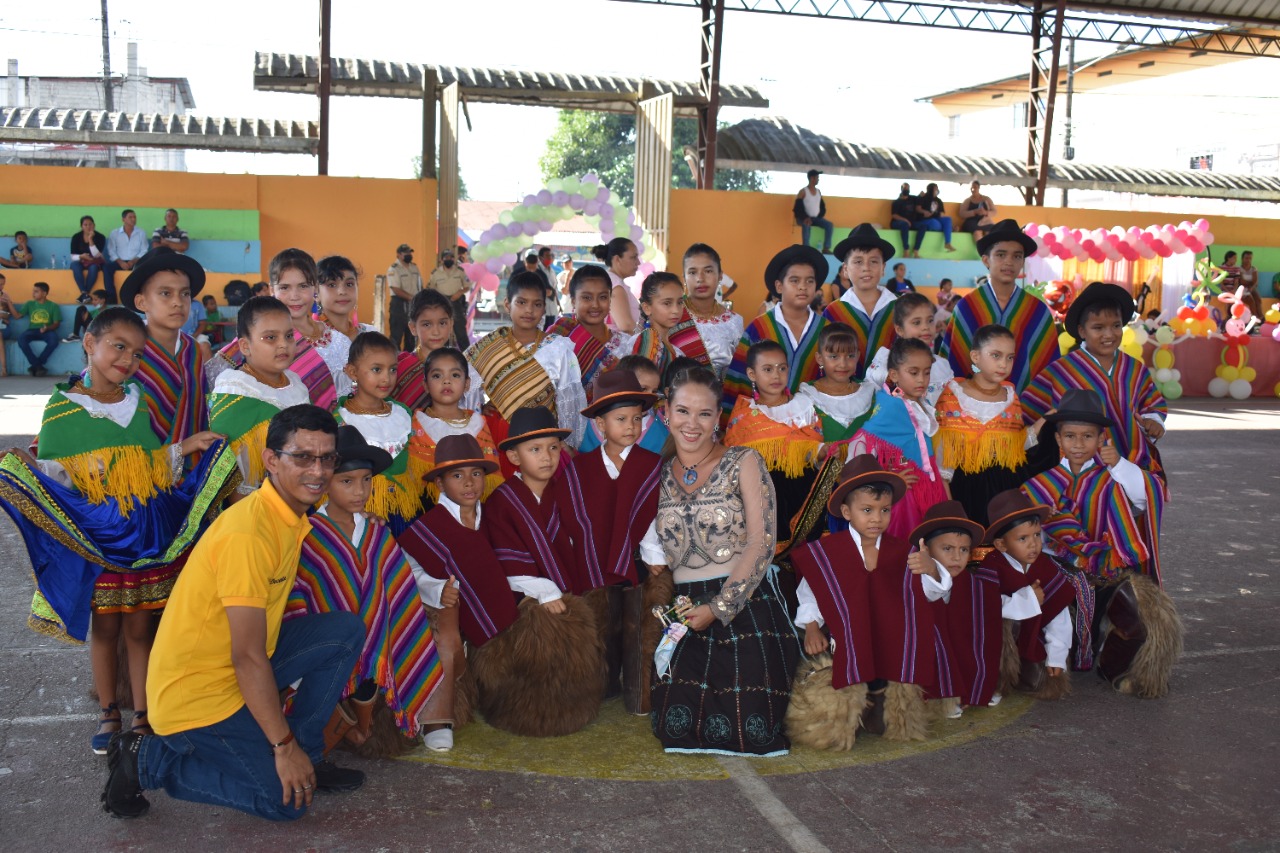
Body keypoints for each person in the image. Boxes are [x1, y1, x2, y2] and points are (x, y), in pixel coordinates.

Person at [102, 405, 366, 821]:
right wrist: (282, 747)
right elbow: (247, 656)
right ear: (271, 460)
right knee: (285, 803)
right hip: (198, 695)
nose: (317, 471)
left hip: (233, 668)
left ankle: (309, 756)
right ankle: (148, 759)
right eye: (302, 457)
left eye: (326, 458)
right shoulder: (249, 533)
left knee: (343, 631)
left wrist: (294, 748)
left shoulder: (288, 515)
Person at [0, 307, 229, 755]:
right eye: (118, 347)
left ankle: (143, 713)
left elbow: (149, 464)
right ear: (90, 344)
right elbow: (57, 476)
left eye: (137, 353)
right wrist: (30, 467)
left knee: (140, 628)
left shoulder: (136, 400)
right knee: (105, 628)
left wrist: (186, 446)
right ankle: (109, 712)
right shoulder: (62, 408)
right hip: (99, 539)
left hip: (143, 535)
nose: (127, 360)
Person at [399, 433, 603, 738]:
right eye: (457, 476)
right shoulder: (428, 528)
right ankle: (440, 715)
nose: (469, 483)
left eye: (476, 474)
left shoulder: (491, 515)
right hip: (458, 618)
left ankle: (544, 708)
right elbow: (410, 572)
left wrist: (540, 590)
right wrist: (436, 589)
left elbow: (512, 564)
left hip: (507, 610)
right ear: (440, 483)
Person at [649, 366, 796, 756]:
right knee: (676, 725)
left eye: (704, 414)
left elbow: (762, 542)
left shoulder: (744, 461)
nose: (692, 424)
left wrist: (719, 607)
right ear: (666, 412)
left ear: (718, 417)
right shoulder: (654, 474)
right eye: (683, 411)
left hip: (745, 601)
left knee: (749, 725)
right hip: (682, 610)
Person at [286, 425, 445, 751]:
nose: (360, 491)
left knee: (371, 657)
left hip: (374, 652)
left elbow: (398, 586)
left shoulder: (378, 532)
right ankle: (334, 730)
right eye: (347, 481)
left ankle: (362, 725)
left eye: (367, 480)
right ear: (324, 482)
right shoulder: (308, 535)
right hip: (325, 650)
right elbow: (299, 593)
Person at [1021, 389, 1179, 699]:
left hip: (1107, 566)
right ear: (1058, 439)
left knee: (1140, 612)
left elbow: (1148, 496)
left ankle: (1115, 666)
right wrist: (1041, 520)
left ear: (1100, 438)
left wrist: (1119, 464)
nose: (1078, 444)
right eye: (1070, 436)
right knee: (1062, 598)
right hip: (1059, 568)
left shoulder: (1112, 478)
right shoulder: (1041, 483)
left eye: (1087, 436)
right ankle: (1057, 659)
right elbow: (1026, 533)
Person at [788, 455, 950, 746]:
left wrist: (932, 569)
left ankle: (878, 698)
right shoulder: (827, 552)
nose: (877, 518)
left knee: (888, 661)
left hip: (888, 636)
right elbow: (810, 591)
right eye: (867, 510)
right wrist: (811, 626)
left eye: (884, 510)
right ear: (847, 512)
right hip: (846, 636)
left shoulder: (903, 551)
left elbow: (930, 592)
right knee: (846, 669)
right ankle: (851, 711)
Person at [555, 370, 663, 713]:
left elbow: (653, 515)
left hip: (637, 562)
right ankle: (602, 681)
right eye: (621, 419)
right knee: (602, 625)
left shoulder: (651, 465)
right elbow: (572, 518)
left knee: (634, 626)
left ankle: (637, 683)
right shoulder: (580, 469)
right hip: (594, 563)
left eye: (637, 419)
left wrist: (653, 554)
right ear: (600, 424)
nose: (631, 427)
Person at [1022, 282, 1166, 474]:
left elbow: (1151, 403)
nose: (1109, 334)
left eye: (1116, 325)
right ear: (1082, 331)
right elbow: (1028, 410)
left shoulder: (1134, 368)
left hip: (1132, 465)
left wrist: (1153, 421)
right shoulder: (1061, 371)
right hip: (1081, 471)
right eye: (1098, 327)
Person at [724, 340, 837, 554]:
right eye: (768, 369)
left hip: (804, 486)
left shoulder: (802, 406)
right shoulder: (745, 415)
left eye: (782, 368)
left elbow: (814, 443)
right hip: (766, 493)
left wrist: (822, 450)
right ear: (752, 374)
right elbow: (734, 459)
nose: (776, 375)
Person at [981, 489, 1090, 700]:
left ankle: (1028, 668)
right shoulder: (991, 567)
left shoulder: (1044, 566)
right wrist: (1029, 599)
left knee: (1036, 683)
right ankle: (994, 680)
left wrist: (1057, 656)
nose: (1033, 544)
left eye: (1037, 535)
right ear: (1001, 544)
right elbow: (985, 607)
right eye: (1022, 538)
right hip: (998, 648)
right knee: (1004, 623)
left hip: (1032, 640)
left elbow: (1058, 614)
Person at [466, 271, 587, 454]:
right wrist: (480, 408)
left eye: (537, 304)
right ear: (508, 304)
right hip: (501, 436)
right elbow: (466, 387)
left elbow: (569, 401)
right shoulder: (489, 346)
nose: (529, 310)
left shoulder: (557, 349)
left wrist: (568, 444)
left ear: (544, 308)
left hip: (544, 437)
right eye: (521, 302)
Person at [935, 324, 1043, 527]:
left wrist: (1045, 422)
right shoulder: (952, 396)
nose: (1004, 364)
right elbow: (943, 462)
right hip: (964, 490)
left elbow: (1015, 447)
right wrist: (951, 509)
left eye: (1010, 357)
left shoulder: (1011, 397)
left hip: (1004, 491)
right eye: (996, 355)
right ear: (975, 356)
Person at [210, 249, 341, 412]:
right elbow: (213, 385)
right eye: (284, 287)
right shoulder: (251, 339)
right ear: (272, 290)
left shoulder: (337, 340)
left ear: (315, 288)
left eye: (303, 286)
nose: (294, 296)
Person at [940, 219, 1059, 394]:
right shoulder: (967, 307)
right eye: (1001, 255)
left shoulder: (1038, 312)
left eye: (1017, 256)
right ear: (986, 260)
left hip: (1022, 406)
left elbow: (1046, 369)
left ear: (1022, 262)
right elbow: (953, 362)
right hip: (970, 404)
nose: (1009, 262)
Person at [208, 296, 311, 493]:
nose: (283, 344)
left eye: (289, 336)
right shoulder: (236, 390)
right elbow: (228, 476)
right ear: (245, 346)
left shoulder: (296, 384)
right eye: (271, 338)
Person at [336, 332, 429, 535]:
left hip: (404, 513)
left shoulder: (403, 414)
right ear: (352, 372)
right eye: (377, 369)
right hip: (359, 515)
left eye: (393, 369)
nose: (386, 378)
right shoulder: (340, 420)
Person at [723, 244, 829, 419]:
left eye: (810, 281)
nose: (803, 287)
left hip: (813, 423)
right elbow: (738, 381)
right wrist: (730, 422)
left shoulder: (826, 330)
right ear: (779, 286)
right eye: (794, 280)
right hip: (763, 422)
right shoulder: (759, 327)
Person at [121, 248, 213, 449]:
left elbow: (200, 411)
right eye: (165, 293)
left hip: (194, 463)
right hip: (138, 462)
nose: (178, 302)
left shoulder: (193, 351)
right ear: (141, 302)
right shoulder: (125, 352)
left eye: (185, 294)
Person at [905, 500, 987, 717]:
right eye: (947, 548)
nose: (957, 557)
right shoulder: (913, 578)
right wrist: (932, 571)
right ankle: (938, 695)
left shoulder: (970, 582)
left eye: (964, 550)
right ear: (925, 548)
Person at [407, 346, 504, 498]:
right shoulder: (417, 424)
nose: (446, 381)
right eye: (437, 376)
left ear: (467, 384)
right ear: (425, 385)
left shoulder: (478, 424)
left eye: (455, 375)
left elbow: (489, 477)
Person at [821, 224, 898, 380]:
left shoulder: (901, 308)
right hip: (844, 391)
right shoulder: (833, 311)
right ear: (845, 269)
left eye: (874, 261)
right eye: (858, 262)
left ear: (883, 268)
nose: (866, 268)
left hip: (892, 392)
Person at [391, 289, 484, 413]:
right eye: (427, 324)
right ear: (413, 328)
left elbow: (473, 411)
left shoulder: (465, 369)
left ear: (451, 324)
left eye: (442, 323)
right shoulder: (400, 367)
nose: (436, 332)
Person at [546, 264, 631, 392]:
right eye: (587, 297)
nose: (595, 305)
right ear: (573, 301)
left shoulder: (626, 345)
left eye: (603, 297)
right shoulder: (557, 339)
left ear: (610, 300)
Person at [864, 291, 954, 407]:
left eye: (930, 320)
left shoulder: (942, 365)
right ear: (900, 329)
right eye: (917, 323)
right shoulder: (885, 365)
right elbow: (870, 402)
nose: (925, 327)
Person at [577, 355, 669, 454]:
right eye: (643, 389)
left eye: (654, 391)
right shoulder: (593, 427)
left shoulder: (658, 433)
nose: (650, 396)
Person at [316, 255, 377, 401]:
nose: (342, 291)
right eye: (332, 285)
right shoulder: (315, 341)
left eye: (349, 284)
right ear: (316, 294)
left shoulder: (371, 334)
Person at [629, 271, 712, 376]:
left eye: (680, 302)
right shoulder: (643, 343)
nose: (676, 310)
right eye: (667, 303)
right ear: (647, 308)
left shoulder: (678, 351)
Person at [681, 243, 744, 378]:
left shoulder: (734, 322)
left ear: (720, 276)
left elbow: (739, 372)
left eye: (708, 271)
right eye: (692, 272)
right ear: (684, 278)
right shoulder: (674, 318)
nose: (700, 279)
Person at [14, 281, 60, 376]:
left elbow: (56, 324)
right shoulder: (29, 304)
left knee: (54, 341)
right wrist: (9, 303)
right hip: (32, 330)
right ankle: (38, 365)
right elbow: (17, 316)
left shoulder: (53, 306)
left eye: (36, 291)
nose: (33, 293)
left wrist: (47, 328)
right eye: (33, 291)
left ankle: (35, 366)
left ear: (44, 293)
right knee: (21, 339)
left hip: (47, 331)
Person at [427, 250, 472, 347]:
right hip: (441, 304)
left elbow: (467, 286)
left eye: (451, 257)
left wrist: (459, 292)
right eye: (446, 258)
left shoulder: (460, 271)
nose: (449, 259)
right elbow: (431, 289)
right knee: (441, 330)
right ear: (442, 260)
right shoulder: (435, 273)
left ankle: (467, 354)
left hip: (456, 302)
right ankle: (442, 352)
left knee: (460, 331)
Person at [106, 209, 150, 301]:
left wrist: (133, 261)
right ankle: (111, 298)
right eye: (130, 217)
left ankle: (141, 297)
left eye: (134, 217)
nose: (133, 219)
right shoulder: (115, 233)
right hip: (119, 261)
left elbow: (144, 250)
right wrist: (120, 262)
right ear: (123, 219)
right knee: (106, 268)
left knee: (146, 269)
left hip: (136, 261)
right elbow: (111, 250)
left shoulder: (141, 232)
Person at [386, 243, 423, 352]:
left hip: (414, 305)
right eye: (405, 253)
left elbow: (420, 285)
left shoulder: (414, 267)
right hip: (399, 304)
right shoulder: (394, 269)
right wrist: (412, 298)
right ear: (398, 255)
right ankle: (395, 360)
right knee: (396, 336)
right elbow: (395, 289)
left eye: (410, 252)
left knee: (412, 335)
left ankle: (409, 359)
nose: (409, 254)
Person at [601, 237, 642, 333]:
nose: (638, 262)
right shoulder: (615, 285)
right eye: (633, 257)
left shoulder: (612, 281)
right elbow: (626, 325)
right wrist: (649, 339)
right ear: (617, 259)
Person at [794, 168, 835, 253]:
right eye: (817, 177)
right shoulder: (803, 191)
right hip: (803, 218)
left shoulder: (818, 191)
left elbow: (822, 206)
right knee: (806, 224)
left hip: (815, 218)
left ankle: (826, 248)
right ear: (811, 178)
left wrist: (820, 215)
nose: (818, 179)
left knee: (829, 225)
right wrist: (805, 217)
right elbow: (797, 208)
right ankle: (806, 249)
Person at [910, 184, 955, 257]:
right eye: (935, 189)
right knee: (935, 223)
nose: (937, 191)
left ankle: (947, 243)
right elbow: (918, 208)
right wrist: (924, 212)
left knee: (948, 219)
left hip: (936, 219)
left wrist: (937, 214)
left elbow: (942, 213)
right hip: (924, 219)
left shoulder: (938, 200)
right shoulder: (923, 198)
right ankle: (948, 229)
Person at [70, 215, 108, 304]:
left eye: (90, 224)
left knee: (93, 268)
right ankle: (85, 293)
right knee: (75, 265)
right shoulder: (76, 237)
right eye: (85, 225)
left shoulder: (100, 237)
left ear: (94, 225)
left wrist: (90, 239)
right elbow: (73, 256)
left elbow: (96, 255)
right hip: (81, 260)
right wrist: (81, 256)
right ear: (81, 226)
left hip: (95, 261)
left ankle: (84, 294)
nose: (88, 227)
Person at [889, 183, 917, 256]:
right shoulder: (896, 202)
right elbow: (894, 215)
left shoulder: (913, 199)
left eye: (908, 188)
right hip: (897, 223)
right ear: (901, 189)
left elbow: (921, 198)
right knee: (904, 225)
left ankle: (916, 249)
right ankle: (906, 249)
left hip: (911, 223)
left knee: (923, 226)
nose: (906, 190)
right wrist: (906, 220)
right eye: (905, 188)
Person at [1239, 250, 1262, 323]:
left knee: (1258, 299)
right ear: (1242, 259)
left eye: (1250, 258)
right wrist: (1250, 284)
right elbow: (1241, 281)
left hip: (1251, 288)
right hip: (1242, 289)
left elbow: (1255, 282)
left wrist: (1251, 287)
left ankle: (1261, 317)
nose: (1248, 260)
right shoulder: (1239, 269)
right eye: (1246, 258)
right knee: (1251, 301)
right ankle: (1255, 318)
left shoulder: (1253, 269)